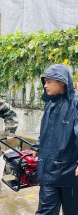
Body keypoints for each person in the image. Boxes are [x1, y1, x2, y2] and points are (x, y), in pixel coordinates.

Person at [31, 64, 78, 215]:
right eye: (44, 82)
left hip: (70, 172)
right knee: (45, 211)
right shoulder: (50, 103)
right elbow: (45, 130)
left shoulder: (75, 104)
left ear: (62, 82)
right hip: (48, 170)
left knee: (72, 210)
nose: (45, 85)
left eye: (49, 81)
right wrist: (37, 146)